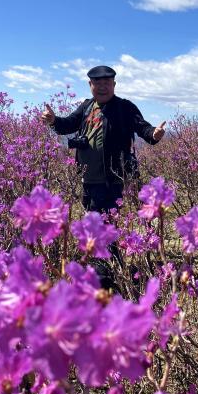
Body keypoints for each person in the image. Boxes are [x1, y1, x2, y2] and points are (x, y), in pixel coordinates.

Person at [41, 65, 165, 288]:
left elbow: (143, 128)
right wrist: (53, 120)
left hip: (113, 179)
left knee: (103, 224)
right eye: (97, 83)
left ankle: (104, 276)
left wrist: (154, 134)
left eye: (107, 83)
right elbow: (68, 124)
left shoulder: (124, 107)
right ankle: (109, 269)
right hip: (89, 178)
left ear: (114, 85)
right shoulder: (87, 107)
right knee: (97, 221)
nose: (102, 87)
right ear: (90, 86)